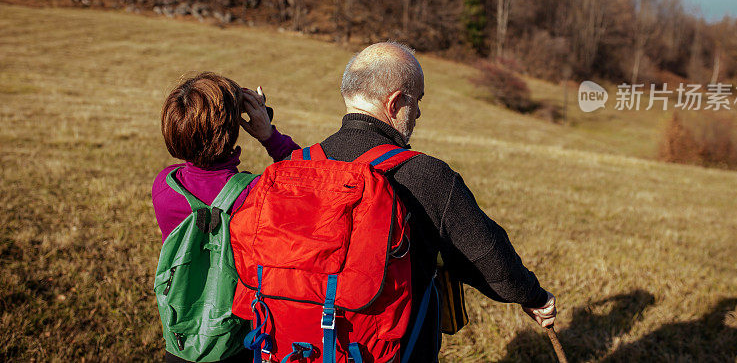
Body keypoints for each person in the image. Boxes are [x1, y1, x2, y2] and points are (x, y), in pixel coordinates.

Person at [318, 42, 557, 362]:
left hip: (299, 344)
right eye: (416, 100)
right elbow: (490, 259)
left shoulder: (299, 164)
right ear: (395, 102)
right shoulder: (425, 175)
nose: (417, 112)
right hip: (387, 350)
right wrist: (534, 296)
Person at [152, 72, 298, 362]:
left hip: (179, 343)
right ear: (233, 132)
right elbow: (306, 182)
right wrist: (269, 136)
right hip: (238, 340)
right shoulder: (258, 193)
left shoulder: (165, 185)